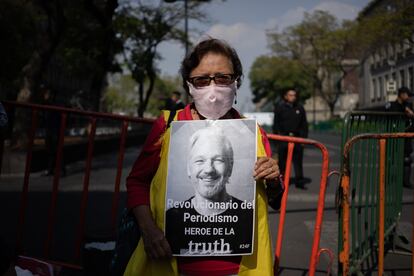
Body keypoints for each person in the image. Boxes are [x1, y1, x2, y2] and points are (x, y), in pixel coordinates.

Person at [124, 38, 282, 276]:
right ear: (189, 85)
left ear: (236, 81)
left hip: (238, 268)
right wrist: (148, 230)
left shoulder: (252, 133)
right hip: (171, 263)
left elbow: (274, 197)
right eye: (202, 79)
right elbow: (137, 182)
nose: (213, 87)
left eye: (222, 78)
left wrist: (272, 177)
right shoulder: (168, 126)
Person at [165, 126, 253, 255]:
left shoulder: (249, 217)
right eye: (200, 160)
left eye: (218, 160)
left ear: (230, 167)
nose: (209, 170)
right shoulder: (171, 219)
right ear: (189, 168)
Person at [273, 88, 309, 189]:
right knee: (282, 163)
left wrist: (304, 139)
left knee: (298, 162)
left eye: (294, 95)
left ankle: (299, 182)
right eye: (290, 95)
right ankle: (282, 182)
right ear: (285, 96)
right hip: (283, 139)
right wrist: (277, 140)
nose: (293, 97)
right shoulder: (280, 108)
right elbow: (276, 124)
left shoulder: (300, 108)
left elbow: (304, 124)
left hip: (297, 139)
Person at [385, 86, 414, 188]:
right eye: (407, 95)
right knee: (391, 159)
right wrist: (403, 110)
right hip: (394, 136)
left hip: (406, 137)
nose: (408, 97)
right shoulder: (391, 105)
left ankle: (406, 182)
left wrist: (411, 114)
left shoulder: (409, 106)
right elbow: (387, 115)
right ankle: (388, 180)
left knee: (407, 160)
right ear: (401, 94)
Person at [41, 85, 66, 177]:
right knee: (50, 150)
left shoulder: (55, 104)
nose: (44, 95)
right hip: (50, 129)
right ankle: (50, 169)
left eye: (47, 93)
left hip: (55, 129)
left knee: (57, 150)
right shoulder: (47, 104)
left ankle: (62, 170)